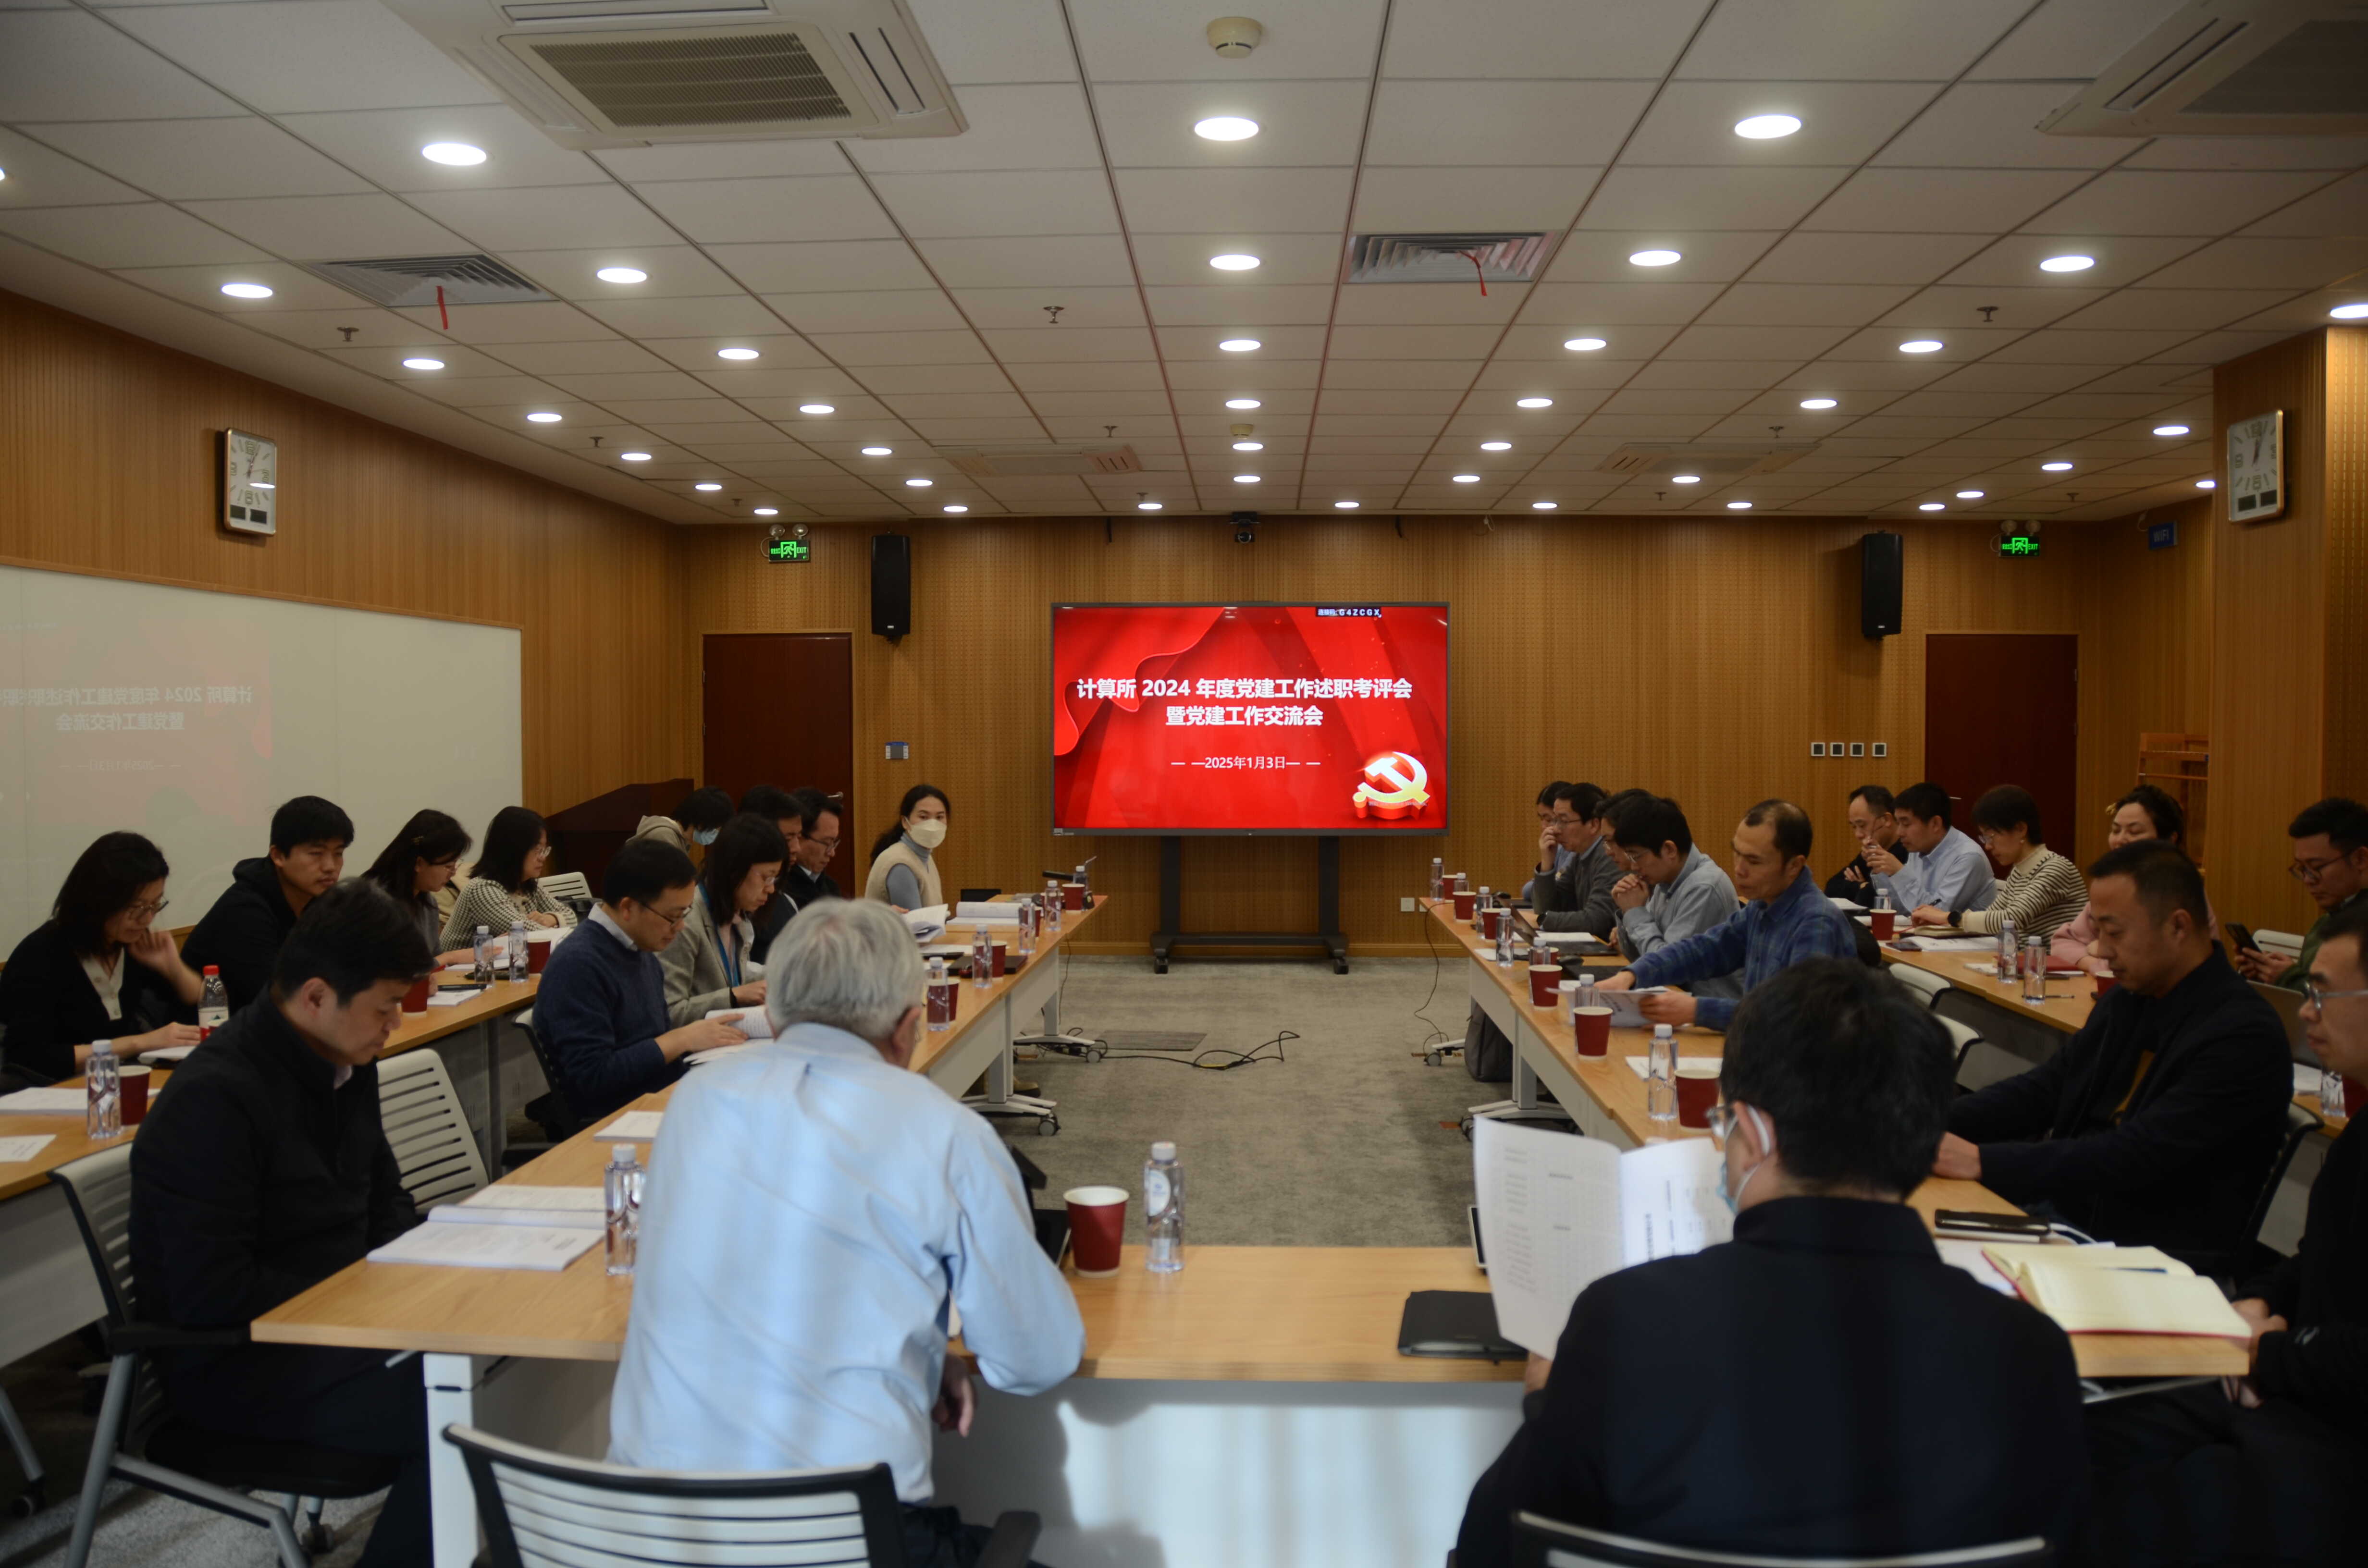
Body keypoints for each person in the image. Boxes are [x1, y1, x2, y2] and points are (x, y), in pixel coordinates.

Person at [1455, 958, 2086, 1567]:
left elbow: (1495, 1545)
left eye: (1723, 1125)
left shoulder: (1626, 1319)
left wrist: (1545, 1403)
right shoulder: (2030, 1351)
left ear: (1753, 1135)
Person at [609, 899, 1084, 1567]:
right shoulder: (945, 1132)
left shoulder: (695, 1104)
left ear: (775, 1018)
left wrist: (919, 1349)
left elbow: (772, 1261)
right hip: (839, 1541)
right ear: (910, 1028)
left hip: (645, 1534)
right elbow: (1037, 1357)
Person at [128, 882, 436, 1568]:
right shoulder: (215, 1100)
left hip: (337, 1328)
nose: (395, 1022)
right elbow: (214, 1292)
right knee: (461, 1411)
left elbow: (384, 1200)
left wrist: (422, 1276)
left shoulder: (346, 1061)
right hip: (238, 1364)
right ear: (318, 996)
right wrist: (367, 1296)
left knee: (504, 1364)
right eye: (385, 1006)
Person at [2080, 899, 2368, 1567]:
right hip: (2294, 1377)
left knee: (2154, 1494)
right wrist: (2261, 1300)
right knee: (2081, 1425)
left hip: (2335, 1427)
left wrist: (2269, 1353)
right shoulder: (2360, 1133)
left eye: (2322, 994)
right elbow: (2314, 1259)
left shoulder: (2236, 1030)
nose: (2306, 1012)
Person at [1937, 842, 2291, 1270]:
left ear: (2179, 926)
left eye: (2114, 932)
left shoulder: (2243, 1033)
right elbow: (2047, 1088)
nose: (2101, 951)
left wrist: (1981, 1161)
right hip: (2071, 1218)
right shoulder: (2130, 998)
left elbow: (2137, 1155)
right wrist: (1928, 1123)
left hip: (2152, 1258)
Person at [533, 839, 747, 1124]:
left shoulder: (640, 948)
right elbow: (594, 1077)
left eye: (684, 915)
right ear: (628, 908)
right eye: (673, 917)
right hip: (620, 1119)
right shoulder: (578, 965)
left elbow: (655, 1046)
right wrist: (681, 1038)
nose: (681, 927)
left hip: (663, 1096)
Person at [1595, 800, 1858, 1030]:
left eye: (1753, 861)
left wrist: (1696, 1011)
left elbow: (1794, 1019)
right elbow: (1704, 950)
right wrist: (1632, 976)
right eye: (1737, 853)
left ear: (1793, 866)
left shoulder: (1816, 924)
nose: (1739, 869)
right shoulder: (1762, 906)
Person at [0, 833, 203, 1083]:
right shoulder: (42, 953)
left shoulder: (128, 944)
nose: (147, 918)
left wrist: (173, 967)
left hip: (115, 1081)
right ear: (98, 901)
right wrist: (140, 1043)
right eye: (137, 908)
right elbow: (30, 1056)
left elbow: (199, 1001)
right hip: (54, 1089)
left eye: (155, 905)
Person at [181, 795, 352, 1012]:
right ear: (278, 856)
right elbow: (276, 1004)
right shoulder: (244, 911)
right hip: (210, 1029)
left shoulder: (319, 901)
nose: (330, 866)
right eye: (316, 854)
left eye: (338, 854)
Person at [2049, 784, 2219, 971]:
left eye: (2134, 832)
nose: (2120, 840)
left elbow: (2150, 966)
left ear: (2170, 840)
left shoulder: (2179, 890)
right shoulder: (2118, 885)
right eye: (2116, 830)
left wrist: (2100, 954)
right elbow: (2063, 941)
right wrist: (2094, 964)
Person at [1606, 795, 1741, 1002]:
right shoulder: (1666, 879)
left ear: (1669, 850)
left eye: (1636, 856)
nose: (1633, 867)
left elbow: (1667, 968)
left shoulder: (1704, 887)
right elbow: (1641, 960)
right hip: (1674, 999)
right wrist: (1628, 920)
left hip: (1708, 1009)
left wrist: (1635, 914)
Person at [659, 813, 783, 1028]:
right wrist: (733, 996)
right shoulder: (685, 921)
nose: (771, 889)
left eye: (775, 878)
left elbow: (734, 976)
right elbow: (669, 1012)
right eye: (766, 877)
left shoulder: (737, 915)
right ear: (735, 869)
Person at [2236, 796, 2368, 990]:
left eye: (2317, 867)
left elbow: (2347, 1001)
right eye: (2303, 869)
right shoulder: (2325, 922)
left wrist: (2289, 979)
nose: (2308, 880)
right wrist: (2267, 975)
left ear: (2361, 859)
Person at [1932, 785, 2086, 939]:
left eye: (1991, 837)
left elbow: (2013, 919)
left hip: (2054, 954)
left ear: (2020, 829)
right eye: (1985, 838)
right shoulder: (2019, 872)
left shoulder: (2055, 868)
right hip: (2024, 954)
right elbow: (1991, 916)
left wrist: (1949, 918)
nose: (1988, 846)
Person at [441, 806, 577, 950]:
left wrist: (552, 918)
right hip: (459, 964)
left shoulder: (528, 885)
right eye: (537, 850)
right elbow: (531, 935)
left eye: (545, 850)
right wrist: (556, 926)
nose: (543, 857)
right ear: (513, 849)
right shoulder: (482, 889)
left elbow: (571, 916)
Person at [358, 808, 478, 966]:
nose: (453, 873)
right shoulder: (374, 901)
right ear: (419, 863)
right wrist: (451, 957)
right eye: (448, 866)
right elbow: (391, 970)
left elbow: (432, 961)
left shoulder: (427, 903)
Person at [1863, 782, 1995, 919]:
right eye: (1899, 823)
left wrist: (1899, 872)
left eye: (1906, 824)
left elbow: (1935, 914)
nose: (1899, 832)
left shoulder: (1968, 857)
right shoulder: (1917, 849)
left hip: (1968, 934)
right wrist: (1881, 869)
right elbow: (1903, 910)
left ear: (1935, 824)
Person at [1529, 782, 1618, 937]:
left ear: (1594, 825)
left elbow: (1596, 921)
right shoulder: (1580, 854)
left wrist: (1543, 920)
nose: (1555, 829)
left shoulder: (1610, 855)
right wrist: (1547, 864)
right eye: (1555, 821)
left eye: (1564, 821)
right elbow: (1549, 907)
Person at [738, 784, 806, 963]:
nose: (797, 848)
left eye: (799, 837)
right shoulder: (733, 905)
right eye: (788, 839)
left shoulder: (786, 901)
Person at [865, 784, 950, 912]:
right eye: (924, 817)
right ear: (905, 822)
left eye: (939, 817)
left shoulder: (925, 856)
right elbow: (915, 922)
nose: (932, 824)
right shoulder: (901, 864)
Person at [1823, 784, 1897, 906]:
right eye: (1854, 827)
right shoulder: (1872, 851)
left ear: (1886, 820)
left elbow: (1872, 898)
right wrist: (1862, 886)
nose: (1858, 835)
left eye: (1862, 825)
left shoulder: (1909, 851)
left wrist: (1865, 890)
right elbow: (1832, 887)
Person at [629, 786, 735, 857]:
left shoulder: (682, 841)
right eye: (717, 830)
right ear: (702, 823)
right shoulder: (663, 836)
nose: (717, 835)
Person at [783, 787, 844, 907]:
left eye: (834, 843)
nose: (832, 853)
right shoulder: (779, 890)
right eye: (826, 843)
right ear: (799, 836)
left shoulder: (830, 887)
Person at [1517, 781, 1573, 903]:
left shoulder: (1577, 849)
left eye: (1549, 819)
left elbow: (1551, 892)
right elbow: (1527, 890)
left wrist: (1547, 864)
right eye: (1541, 818)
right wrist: (1547, 863)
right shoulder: (1560, 848)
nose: (1543, 826)